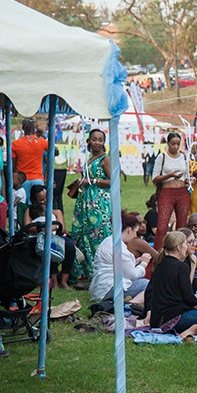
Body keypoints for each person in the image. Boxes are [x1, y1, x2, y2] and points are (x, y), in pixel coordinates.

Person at [144, 230, 197, 343]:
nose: (186, 247)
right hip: (176, 319)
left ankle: (195, 329)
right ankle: (194, 330)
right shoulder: (181, 267)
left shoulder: (159, 265)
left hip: (158, 321)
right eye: (185, 244)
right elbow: (188, 297)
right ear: (179, 247)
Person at [71, 128, 112, 279]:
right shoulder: (89, 158)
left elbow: (113, 180)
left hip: (99, 204)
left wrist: (92, 181)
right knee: (84, 234)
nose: (97, 142)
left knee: (97, 235)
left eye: (100, 140)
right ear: (89, 141)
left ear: (103, 142)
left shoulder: (105, 159)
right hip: (85, 201)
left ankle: (100, 271)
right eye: (94, 139)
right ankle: (86, 271)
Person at [88, 211, 150, 303]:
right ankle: (132, 304)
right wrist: (144, 263)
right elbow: (133, 275)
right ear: (129, 230)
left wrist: (135, 263)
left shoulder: (108, 241)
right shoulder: (119, 247)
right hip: (110, 289)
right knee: (149, 285)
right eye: (135, 232)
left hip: (100, 289)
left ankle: (130, 301)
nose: (135, 236)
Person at [25, 185, 76, 289]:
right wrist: (45, 228)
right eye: (41, 200)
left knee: (69, 246)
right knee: (50, 247)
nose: (44, 202)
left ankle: (64, 281)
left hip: (56, 237)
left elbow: (61, 228)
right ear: (34, 200)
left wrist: (54, 226)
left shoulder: (56, 212)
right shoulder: (30, 211)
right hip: (38, 238)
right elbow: (28, 227)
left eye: (46, 198)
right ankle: (54, 281)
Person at [152, 132, 190, 250]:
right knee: (162, 226)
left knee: (181, 225)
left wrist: (189, 180)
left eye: (178, 144)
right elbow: (155, 178)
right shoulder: (162, 157)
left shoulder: (183, 156)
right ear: (168, 143)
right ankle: (158, 253)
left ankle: (180, 251)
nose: (175, 147)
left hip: (182, 192)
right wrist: (170, 175)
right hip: (167, 192)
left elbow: (186, 175)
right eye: (173, 144)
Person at [11, 119, 48, 201]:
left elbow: (13, 165)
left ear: (23, 129)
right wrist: (41, 135)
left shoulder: (15, 144)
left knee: (21, 206)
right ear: (34, 129)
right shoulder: (41, 142)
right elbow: (55, 152)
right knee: (37, 206)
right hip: (37, 179)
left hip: (22, 180)